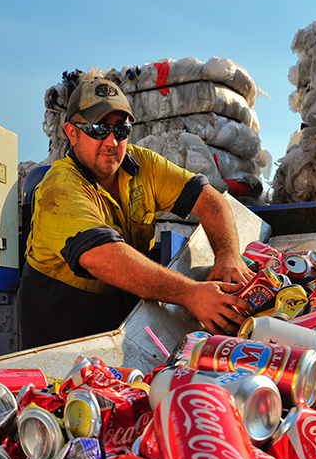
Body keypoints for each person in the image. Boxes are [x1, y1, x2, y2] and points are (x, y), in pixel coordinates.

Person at [18, 78, 255, 349]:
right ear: (71, 133)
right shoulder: (59, 188)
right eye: (98, 128)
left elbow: (209, 199)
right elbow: (102, 257)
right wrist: (191, 294)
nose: (111, 141)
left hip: (120, 331)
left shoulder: (143, 165)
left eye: (121, 129)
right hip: (59, 343)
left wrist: (228, 255)